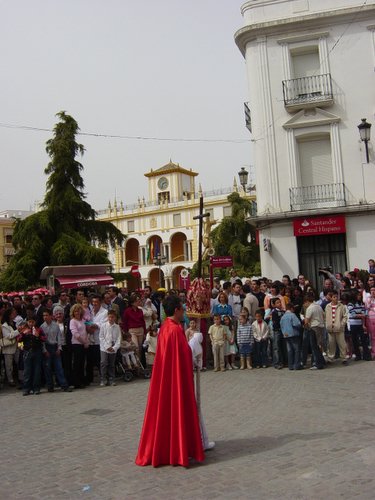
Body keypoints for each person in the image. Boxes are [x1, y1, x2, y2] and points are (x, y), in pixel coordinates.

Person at [136, 295, 204, 467]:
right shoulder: (175, 330)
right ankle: (178, 451)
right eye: (182, 308)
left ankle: (169, 449)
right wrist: (194, 347)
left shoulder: (166, 327)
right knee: (177, 410)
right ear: (176, 310)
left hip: (165, 379)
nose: (184, 311)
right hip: (176, 381)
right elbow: (184, 355)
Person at [41, 309, 71, 392]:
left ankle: (64, 385)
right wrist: (44, 350)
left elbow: (59, 337)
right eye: (44, 316)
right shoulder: (42, 327)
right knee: (47, 368)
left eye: (47, 315)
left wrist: (59, 348)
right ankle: (50, 386)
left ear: (51, 316)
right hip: (47, 347)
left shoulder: (55, 325)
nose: (45, 317)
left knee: (59, 368)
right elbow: (42, 340)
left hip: (55, 347)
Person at [19, 318, 46, 395]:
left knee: (37, 370)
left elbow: (44, 338)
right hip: (27, 351)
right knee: (27, 371)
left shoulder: (39, 329)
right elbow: (18, 339)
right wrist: (23, 334)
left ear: (35, 322)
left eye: (32, 322)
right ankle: (26, 388)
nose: (31, 323)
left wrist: (38, 336)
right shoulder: (24, 329)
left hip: (37, 351)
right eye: (29, 322)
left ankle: (36, 388)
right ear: (27, 322)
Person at [99, 309, 121, 387]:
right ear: (108, 317)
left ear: (115, 318)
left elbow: (118, 339)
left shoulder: (117, 327)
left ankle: (111, 379)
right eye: (110, 317)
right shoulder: (103, 326)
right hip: (104, 348)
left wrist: (114, 347)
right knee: (104, 363)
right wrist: (107, 346)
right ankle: (103, 379)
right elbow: (101, 337)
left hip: (113, 348)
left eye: (112, 317)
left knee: (111, 364)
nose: (111, 319)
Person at [325, 291, 348, 365]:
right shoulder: (327, 306)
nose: (336, 298)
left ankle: (344, 358)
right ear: (331, 298)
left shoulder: (341, 306)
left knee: (342, 344)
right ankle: (330, 358)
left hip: (339, 328)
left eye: (336, 296)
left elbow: (345, 316)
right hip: (330, 328)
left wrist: (342, 324)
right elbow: (325, 316)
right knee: (331, 344)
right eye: (334, 297)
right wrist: (327, 324)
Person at [70, 304, 89, 389]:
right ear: (73, 312)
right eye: (75, 311)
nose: (77, 312)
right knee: (77, 364)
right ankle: (76, 382)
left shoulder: (82, 320)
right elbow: (76, 334)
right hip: (77, 344)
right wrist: (84, 342)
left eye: (79, 310)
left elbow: (88, 327)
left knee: (82, 363)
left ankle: (82, 380)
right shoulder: (72, 321)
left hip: (83, 344)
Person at [1, 307, 19, 387]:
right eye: (13, 312)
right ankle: (10, 380)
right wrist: (18, 331)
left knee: (19, 363)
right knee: (9, 365)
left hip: (16, 346)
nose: (15, 314)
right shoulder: (5, 325)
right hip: (8, 348)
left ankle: (20, 378)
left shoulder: (14, 323)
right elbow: (8, 336)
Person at [280, 304, 302, 370]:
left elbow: (281, 325)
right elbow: (296, 324)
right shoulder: (292, 315)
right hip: (293, 334)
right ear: (291, 308)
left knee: (289, 350)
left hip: (286, 334)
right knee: (296, 350)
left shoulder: (283, 316)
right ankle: (296, 365)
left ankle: (290, 365)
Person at [271, 297, 285, 369]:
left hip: (283, 331)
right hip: (277, 331)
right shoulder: (274, 312)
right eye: (277, 303)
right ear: (273, 305)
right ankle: (276, 362)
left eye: (280, 302)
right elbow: (275, 323)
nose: (279, 304)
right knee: (276, 347)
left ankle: (283, 361)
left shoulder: (283, 311)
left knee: (282, 347)